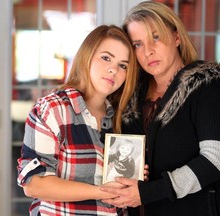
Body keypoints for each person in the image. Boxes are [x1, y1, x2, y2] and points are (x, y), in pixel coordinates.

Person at [100, 1, 220, 216]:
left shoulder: (207, 85)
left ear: (176, 37)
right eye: (137, 44)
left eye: (155, 37)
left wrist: (149, 192)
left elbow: (216, 160)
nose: (148, 51)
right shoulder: (129, 95)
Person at [16, 24, 139, 216]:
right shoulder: (53, 109)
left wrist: (133, 174)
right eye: (106, 58)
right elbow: (34, 184)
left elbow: (121, 190)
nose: (113, 70)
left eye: (123, 65)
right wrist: (101, 191)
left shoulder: (121, 118)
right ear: (87, 56)